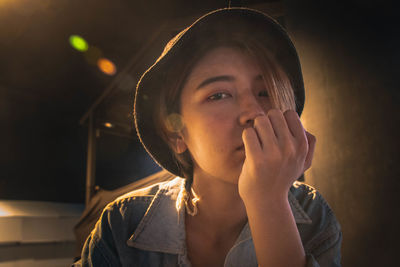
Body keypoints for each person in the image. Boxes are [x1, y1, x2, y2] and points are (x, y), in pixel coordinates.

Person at [73, 7, 342, 267]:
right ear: (175, 133)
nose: (254, 113)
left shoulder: (313, 215)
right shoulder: (124, 223)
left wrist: (269, 202)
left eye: (265, 92)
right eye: (218, 95)